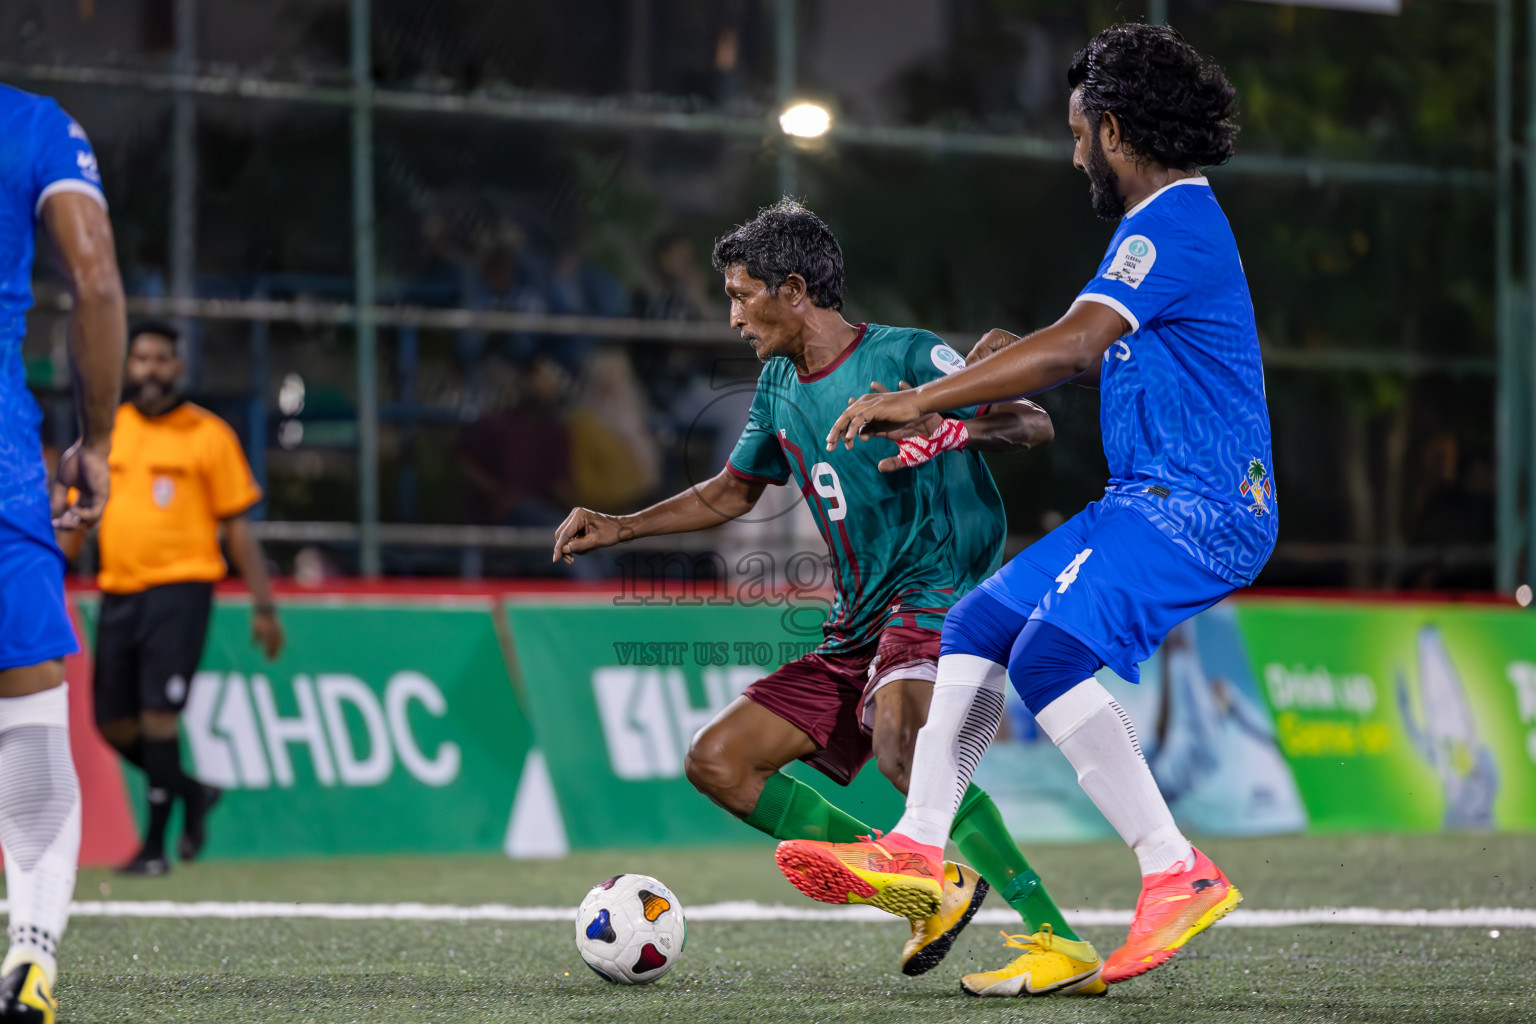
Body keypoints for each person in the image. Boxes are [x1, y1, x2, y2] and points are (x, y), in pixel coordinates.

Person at [778, 24, 1273, 991]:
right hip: (1146, 499)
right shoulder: (1167, 230)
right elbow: (1115, 361)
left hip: (1198, 508)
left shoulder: (1169, 221)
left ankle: (1175, 868)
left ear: (1117, 131)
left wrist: (922, 397)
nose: (1074, 150)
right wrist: (1014, 357)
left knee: (1047, 656)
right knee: (979, 623)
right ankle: (921, 845)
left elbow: (1077, 346)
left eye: (1081, 131)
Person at [555, 201, 1107, 995]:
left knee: (905, 745)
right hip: (860, 617)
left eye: (744, 295)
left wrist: (945, 427)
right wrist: (621, 526)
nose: (734, 314)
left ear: (794, 288)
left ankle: (1058, 939)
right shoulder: (779, 387)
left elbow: (1029, 421)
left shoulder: (910, 355)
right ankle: (923, 888)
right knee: (720, 761)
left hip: (939, 587)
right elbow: (732, 493)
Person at [0, 85, 127, 1022]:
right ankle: (30, 951)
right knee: (30, 718)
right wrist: (97, 439)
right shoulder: (35, 124)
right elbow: (95, 278)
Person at [86, 322, 284, 876]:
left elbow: (239, 529)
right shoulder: (109, 431)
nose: (149, 368)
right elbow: (78, 512)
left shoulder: (208, 434)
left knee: (157, 716)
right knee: (111, 722)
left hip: (181, 589)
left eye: (161, 359)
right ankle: (193, 792)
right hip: (117, 590)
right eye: (141, 358)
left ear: (178, 368)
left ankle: (153, 849)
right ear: (129, 366)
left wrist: (264, 606)